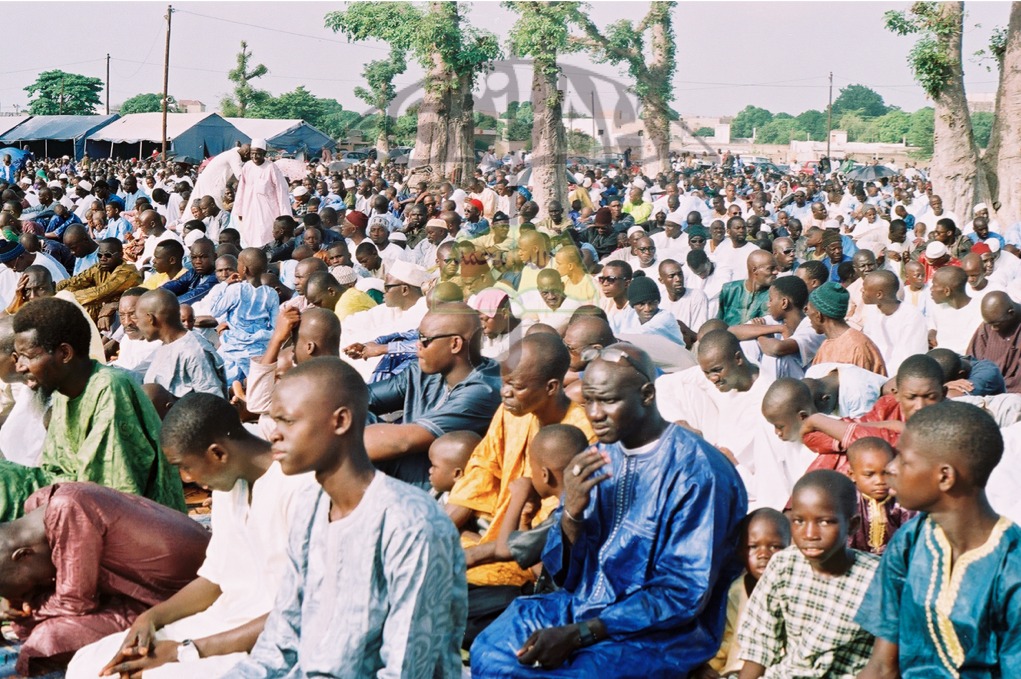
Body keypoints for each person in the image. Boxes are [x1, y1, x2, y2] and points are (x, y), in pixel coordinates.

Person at [472, 343, 747, 677]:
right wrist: (571, 513)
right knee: (490, 648)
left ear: (646, 395)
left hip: (658, 632)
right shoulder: (600, 454)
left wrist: (582, 633)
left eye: (609, 400)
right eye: (588, 401)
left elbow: (683, 592)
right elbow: (566, 570)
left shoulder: (699, 472)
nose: (595, 414)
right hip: (583, 604)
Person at [230, 357, 466, 677]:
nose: (275, 434)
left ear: (340, 421)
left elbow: (407, 669)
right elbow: (281, 638)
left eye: (288, 421)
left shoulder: (411, 524)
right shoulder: (312, 505)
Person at [67, 393, 317, 679]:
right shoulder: (228, 484)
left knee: (152, 676)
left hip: (276, 643)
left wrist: (184, 652)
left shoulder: (303, 488)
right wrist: (151, 619)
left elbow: (302, 614)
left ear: (217, 453)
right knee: (89, 662)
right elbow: (214, 579)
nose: (185, 478)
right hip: (221, 624)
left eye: (184, 466)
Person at [446, 334, 596, 644]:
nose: (505, 393)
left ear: (552, 387)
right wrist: (439, 532)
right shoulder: (509, 414)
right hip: (496, 538)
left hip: (533, 563)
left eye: (517, 386)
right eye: (504, 383)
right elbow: (482, 470)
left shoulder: (583, 436)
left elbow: (555, 532)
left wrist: (481, 552)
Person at [856, 401, 1021, 678]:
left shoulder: (1012, 566)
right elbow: (882, 666)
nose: (890, 469)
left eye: (903, 460)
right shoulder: (910, 540)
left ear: (945, 477)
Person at [0, 297, 186, 520]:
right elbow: (56, 472)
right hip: (72, 498)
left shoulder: (109, 388)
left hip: (131, 524)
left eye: (28, 357)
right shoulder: (62, 393)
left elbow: (106, 493)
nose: (20, 366)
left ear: (64, 354)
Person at [0, 483, 210, 676]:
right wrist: (17, 599)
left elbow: (75, 602)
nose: (16, 594)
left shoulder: (68, 510)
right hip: (184, 563)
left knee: (48, 636)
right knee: (32, 621)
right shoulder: (40, 502)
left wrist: (28, 608)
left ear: (23, 554)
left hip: (188, 590)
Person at [736, 470, 879, 678]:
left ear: (853, 525)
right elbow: (760, 644)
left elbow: (885, 663)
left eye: (825, 522)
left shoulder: (877, 578)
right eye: (798, 521)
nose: (809, 534)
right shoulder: (784, 565)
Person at [364, 303, 502, 489]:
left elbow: (403, 442)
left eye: (424, 340)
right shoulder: (425, 371)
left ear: (455, 344)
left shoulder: (483, 390)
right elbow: (363, 397)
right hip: (410, 463)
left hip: (435, 483)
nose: (417, 346)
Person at [704, 508, 791, 679]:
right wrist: (709, 666)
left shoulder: (793, 589)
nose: (763, 555)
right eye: (753, 547)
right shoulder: (737, 590)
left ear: (790, 547)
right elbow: (728, 638)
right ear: (741, 551)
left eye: (775, 547)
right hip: (736, 670)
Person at [135, 288, 227, 402]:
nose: (137, 325)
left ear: (150, 318)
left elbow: (212, 402)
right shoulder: (165, 346)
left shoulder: (194, 351)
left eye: (137, 319)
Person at [730, 275, 822, 380]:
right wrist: (780, 328)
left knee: (775, 357)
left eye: (771, 300)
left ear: (784, 303)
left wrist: (761, 334)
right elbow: (732, 331)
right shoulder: (777, 321)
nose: (768, 305)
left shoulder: (812, 327)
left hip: (798, 385)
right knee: (748, 342)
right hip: (777, 380)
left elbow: (776, 348)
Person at [209, 248, 279, 384]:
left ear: (244, 269)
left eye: (238, 264)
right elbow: (275, 326)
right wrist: (258, 336)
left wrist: (224, 284)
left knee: (225, 381)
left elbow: (214, 310)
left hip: (233, 347)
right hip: (259, 349)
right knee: (255, 384)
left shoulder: (236, 290)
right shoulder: (271, 294)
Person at [845, 437, 915, 556]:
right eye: (869, 474)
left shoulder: (902, 502)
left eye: (886, 473)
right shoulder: (847, 502)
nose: (880, 481)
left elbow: (910, 537)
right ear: (852, 475)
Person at [55, 238, 142, 324]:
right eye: (100, 255)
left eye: (108, 255)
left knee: (84, 306)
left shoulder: (127, 273)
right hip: (104, 309)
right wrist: (55, 290)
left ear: (120, 255)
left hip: (124, 314)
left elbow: (101, 292)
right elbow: (76, 280)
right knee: (70, 289)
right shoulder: (99, 268)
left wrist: (65, 297)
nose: (103, 259)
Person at [808, 281, 887, 375]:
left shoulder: (857, 347)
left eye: (809, 310)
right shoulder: (826, 346)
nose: (807, 314)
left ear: (818, 316)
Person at [860, 269, 928, 375]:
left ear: (879, 295)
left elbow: (910, 357)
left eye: (865, 289)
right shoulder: (872, 310)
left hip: (900, 374)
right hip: (874, 370)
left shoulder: (912, 316)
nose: (861, 291)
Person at [232, 139, 292, 248]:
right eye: (252, 153)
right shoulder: (247, 167)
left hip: (268, 209)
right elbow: (241, 189)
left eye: (258, 154)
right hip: (249, 208)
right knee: (250, 233)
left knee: (267, 233)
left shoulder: (271, 167)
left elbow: (281, 190)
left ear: (264, 154)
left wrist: (285, 214)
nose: (255, 156)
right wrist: (239, 209)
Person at [968, 290, 1021, 393]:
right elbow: (972, 360)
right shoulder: (988, 325)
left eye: (996, 324)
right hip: (984, 386)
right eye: (989, 324)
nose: (992, 329)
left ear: (1011, 313)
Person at [928, 264, 984, 354]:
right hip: (940, 359)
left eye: (934, 285)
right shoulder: (938, 308)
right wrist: (931, 332)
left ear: (947, 291)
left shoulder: (980, 310)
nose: (931, 289)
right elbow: (932, 325)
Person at [617, 275, 685, 345]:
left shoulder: (666, 317)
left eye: (652, 303)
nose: (647, 309)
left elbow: (642, 333)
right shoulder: (629, 316)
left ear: (658, 302)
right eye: (641, 304)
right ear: (633, 306)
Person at [656, 258, 708, 348]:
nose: (678, 279)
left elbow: (698, 335)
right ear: (661, 280)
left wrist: (683, 329)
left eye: (680, 274)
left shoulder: (697, 296)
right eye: (672, 276)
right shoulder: (659, 300)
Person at [717, 250, 777, 325]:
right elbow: (718, 320)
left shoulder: (774, 294)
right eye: (771, 269)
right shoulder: (729, 289)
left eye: (776, 268)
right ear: (755, 270)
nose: (776, 272)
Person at [161, 238, 219, 305]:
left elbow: (194, 296)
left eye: (203, 257)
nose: (198, 261)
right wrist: (157, 294)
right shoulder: (194, 272)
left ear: (215, 257)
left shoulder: (218, 276)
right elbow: (177, 284)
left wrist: (164, 303)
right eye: (194, 257)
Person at [428, 431, 481, 502]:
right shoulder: (436, 493)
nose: (430, 470)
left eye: (434, 466)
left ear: (457, 474)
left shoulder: (467, 506)